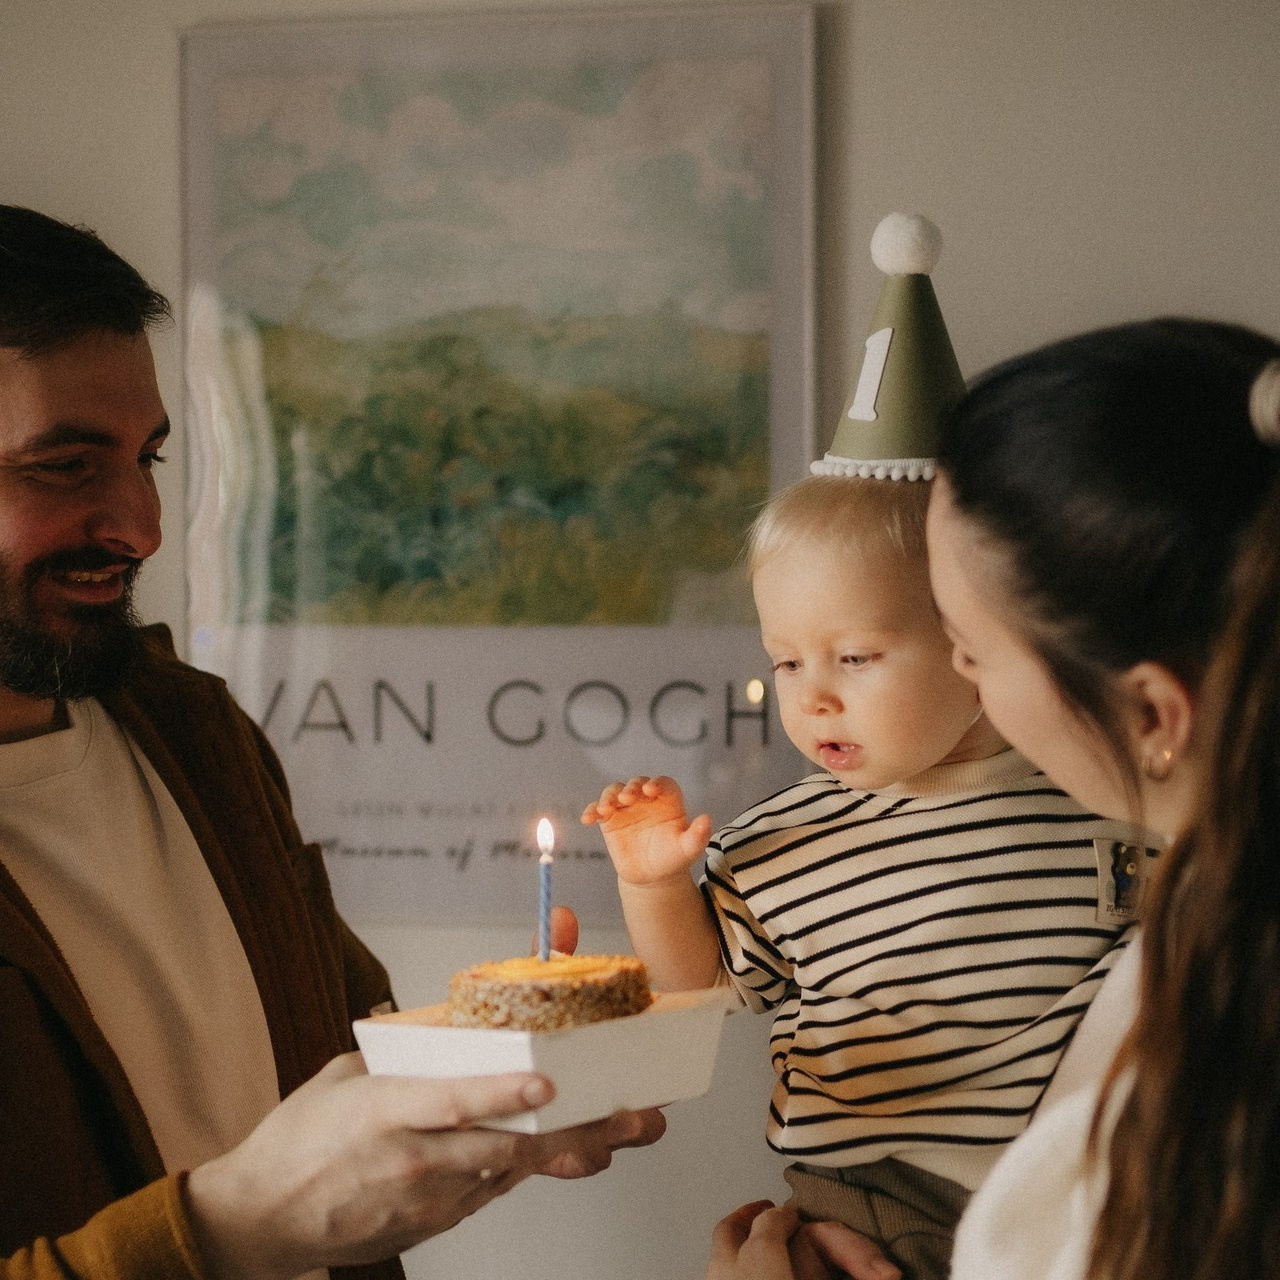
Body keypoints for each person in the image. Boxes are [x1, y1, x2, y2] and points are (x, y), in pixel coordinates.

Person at [0, 204, 664, 1280]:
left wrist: (502, 1072)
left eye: (147, 457)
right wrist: (227, 1227)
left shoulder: (195, 731)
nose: (140, 523)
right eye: (65, 464)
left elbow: (346, 1056)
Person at [583, 466, 1134, 1280]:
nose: (815, 698)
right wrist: (654, 885)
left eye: (853, 656)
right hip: (876, 1200)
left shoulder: (1105, 795)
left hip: (1086, 1191)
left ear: (979, 645)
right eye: (787, 663)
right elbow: (692, 988)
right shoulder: (781, 842)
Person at [919, 317, 1280, 1280]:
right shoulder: (1205, 931)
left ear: (1155, 712)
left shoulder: (1206, 1093)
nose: (955, 669)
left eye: (974, 645)